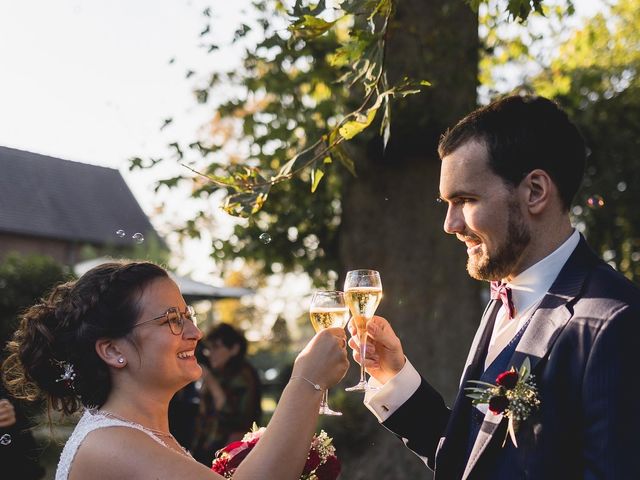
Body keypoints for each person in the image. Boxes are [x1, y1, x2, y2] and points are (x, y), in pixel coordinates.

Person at [349, 95, 640, 479]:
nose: (449, 225)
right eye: (446, 203)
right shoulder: (501, 302)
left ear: (535, 191)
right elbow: (472, 460)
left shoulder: (614, 323)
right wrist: (395, 375)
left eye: (465, 199)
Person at [2, 261, 349, 480]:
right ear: (112, 350)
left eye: (188, 316)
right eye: (171, 319)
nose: (195, 333)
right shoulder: (109, 443)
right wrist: (306, 381)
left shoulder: (144, 436)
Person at [191, 323, 262, 465]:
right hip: (209, 447)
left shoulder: (244, 375)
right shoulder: (219, 373)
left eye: (216, 347)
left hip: (229, 451)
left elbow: (232, 414)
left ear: (234, 349)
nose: (211, 353)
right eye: (209, 348)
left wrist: (210, 381)